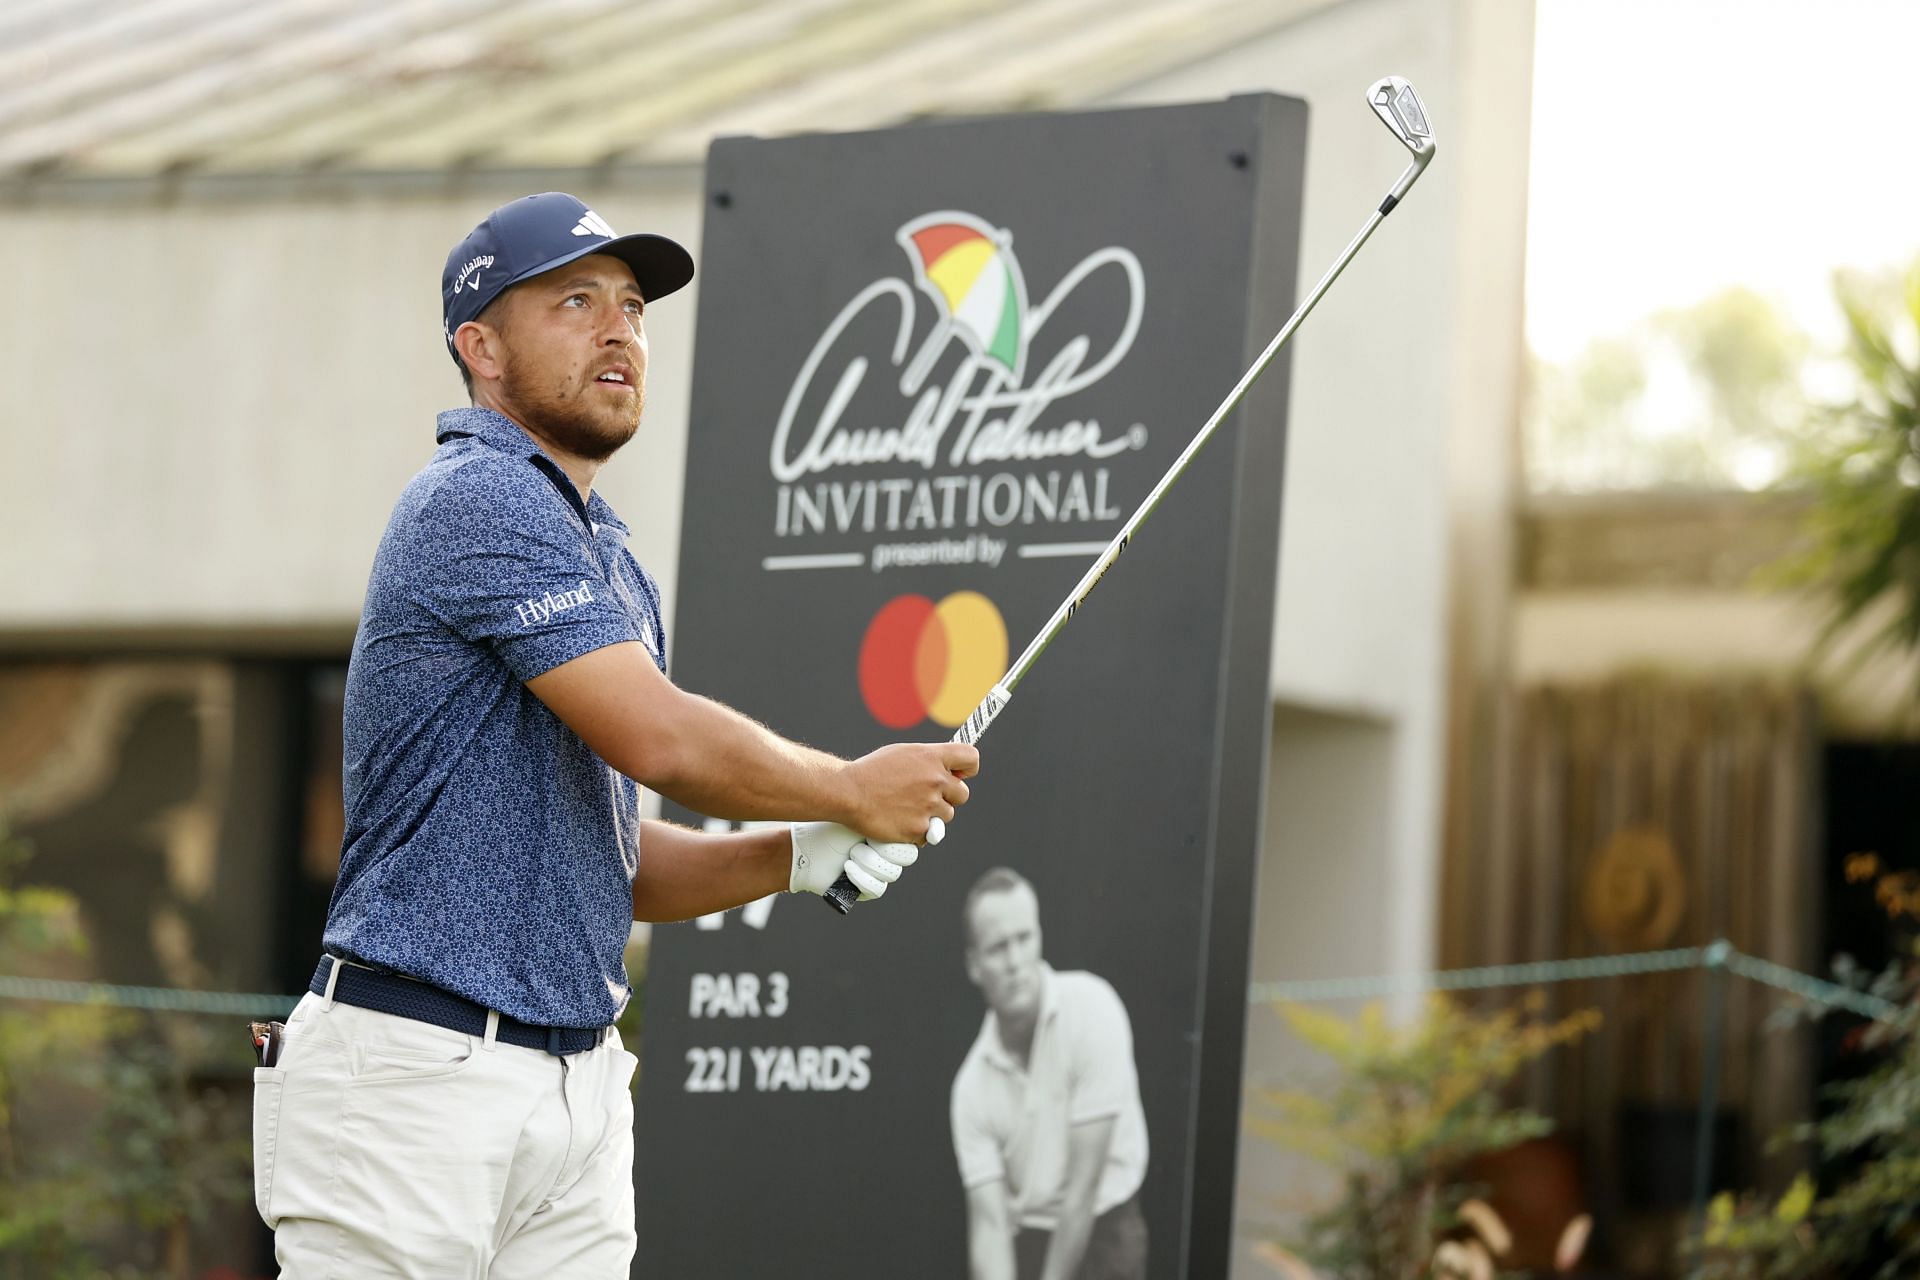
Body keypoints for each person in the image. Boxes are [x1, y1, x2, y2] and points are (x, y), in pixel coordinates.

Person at [249, 191, 978, 1276]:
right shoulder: (475, 498)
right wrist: (849, 791)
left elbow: (613, 857)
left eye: (633, 307)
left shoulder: (610, 555)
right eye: (575, 300)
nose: (619, 330)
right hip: (413, 1073)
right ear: (479, 346)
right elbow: (665, 743)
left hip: (579, 1088)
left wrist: (790, 856)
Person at [950, 867, 1149, 1280]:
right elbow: (990, 1228)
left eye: (1024, 939)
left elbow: (1082, 1191)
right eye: (998, 947)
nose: (1015, 961)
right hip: (1032, 1237)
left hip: (1107, 1229)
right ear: (974, 966)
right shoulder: (970, 1090)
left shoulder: (1094, 1009)